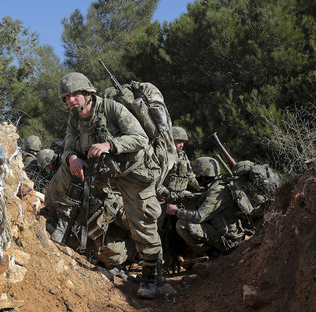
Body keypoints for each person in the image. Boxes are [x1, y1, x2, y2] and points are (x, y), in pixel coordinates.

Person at [52, 72, 163, 299]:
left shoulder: (112, 109)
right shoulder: (75, 120)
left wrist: (110, 145)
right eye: (67, 97)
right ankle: (63, 226)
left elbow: (140, 138)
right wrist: (72, 158)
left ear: (87, 93)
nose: (72, 100)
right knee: (72, 181)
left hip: (135, 173)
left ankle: (151, 273)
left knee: (143, 220)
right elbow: (68, 146)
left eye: (76, 94)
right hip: (105, 174)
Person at [165, 157, 245, 258]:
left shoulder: (217, 191)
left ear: (205, 174)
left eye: (198, 174)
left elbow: (199, 216)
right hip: (224, 234)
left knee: (183, 225)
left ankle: (215, 256)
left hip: (229, 241)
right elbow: (204, 195)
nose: (196, 177)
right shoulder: (217, 185)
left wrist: (176, 211)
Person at [156, 126, 201, 273]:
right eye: (178, 141)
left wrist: (200, 188)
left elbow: (189, 176)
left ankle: (183, 255)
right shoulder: (163, 155)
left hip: (179, 198)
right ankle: (156, 259)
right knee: (159, 230)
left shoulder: (183, 156)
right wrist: (167, 194)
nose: (181, 144)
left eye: (183, 141)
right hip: (163, 199)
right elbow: (155, 181)